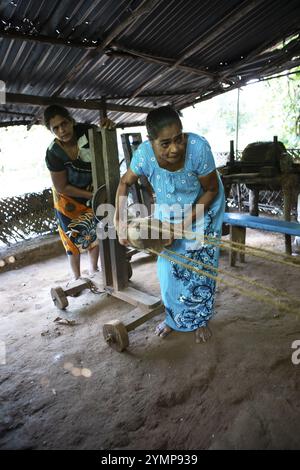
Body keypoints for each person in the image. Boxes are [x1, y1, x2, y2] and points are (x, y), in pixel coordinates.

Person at [115, 106, 225, 343]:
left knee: (199, 264)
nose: (175, 148)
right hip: (169, 206)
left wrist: (184, 225)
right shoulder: (143, 155)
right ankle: (174, 318)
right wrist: (120, 220)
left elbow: (212, 189)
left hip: (204, 202)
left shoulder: (197, 148)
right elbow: (124, 183)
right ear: (150, 141)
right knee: (170, 267)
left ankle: (200, 319)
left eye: (179, 139)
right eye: (165, 143)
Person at [44, 104, 114, 280]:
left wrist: (107, 128)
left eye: (64, 123)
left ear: (72, 121)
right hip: (66, 198)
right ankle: (76, 277)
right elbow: (61, 186)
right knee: (71, 235)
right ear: (51, 131)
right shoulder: (54, 153)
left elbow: (104, 142)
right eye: (56, 128)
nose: (62, 130)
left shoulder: (88, 133)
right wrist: (93, 196)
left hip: (91, 191)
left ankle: (93, 269)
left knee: (96, 229)